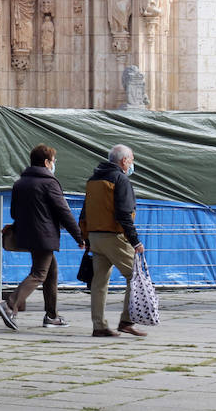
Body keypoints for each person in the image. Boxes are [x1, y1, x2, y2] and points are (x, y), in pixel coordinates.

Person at [0, 144, 84, 331]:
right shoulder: (50, 183)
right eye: (53, 161)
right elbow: (63, 212)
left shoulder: (20, 183)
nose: (54, 164)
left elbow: (14, 211)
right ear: (46, 162)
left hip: (28, 234)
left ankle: (51, 315)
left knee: (51, 272)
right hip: (45, 236)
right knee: (39, 274)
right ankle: (10, 304)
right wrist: (79, 236)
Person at [79, 144, 147, 337]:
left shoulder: (93, 180)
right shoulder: (120, 179)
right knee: (135, 276)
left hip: (95, 236)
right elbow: (124, 214)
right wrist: (135, 241)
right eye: (132, 160)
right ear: (124, 161)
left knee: (99, 283)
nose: (132, 164)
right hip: (114, 237)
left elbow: (85, 211)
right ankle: (126, 321)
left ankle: (99, 326)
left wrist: (86, 237)